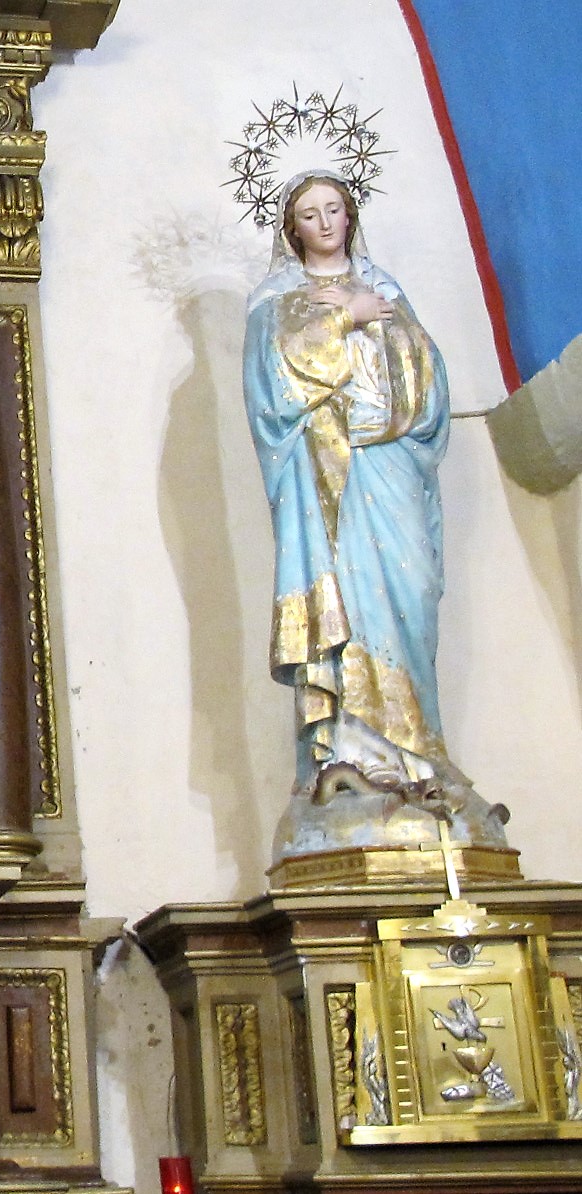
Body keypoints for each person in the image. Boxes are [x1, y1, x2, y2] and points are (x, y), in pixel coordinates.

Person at [244, 171, 461, 807]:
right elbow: (275, 384)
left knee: (412, 591)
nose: (324, 223)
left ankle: (417, 752)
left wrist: (392, 384)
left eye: (334, 209)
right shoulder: (276, 299)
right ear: (292, 228)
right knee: (347, 598)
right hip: (328, 480)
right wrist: (344, 317)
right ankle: (352, 751)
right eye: (309, 214)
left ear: (350, 215)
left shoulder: (385, 288)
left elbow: (427, 373)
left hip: (390, 459)